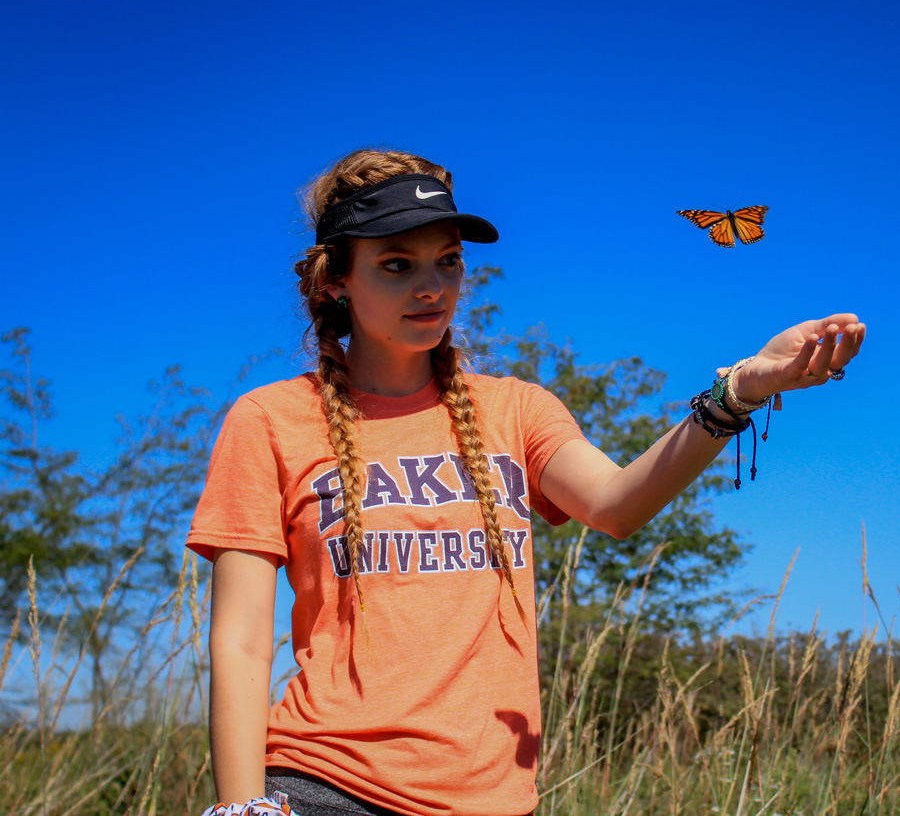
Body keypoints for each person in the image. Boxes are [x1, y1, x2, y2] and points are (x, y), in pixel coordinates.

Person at [186, 148, 865, 816]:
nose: (432, 287)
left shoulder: (516, 410)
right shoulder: (271, 419)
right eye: (397, 265)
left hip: (494, 797)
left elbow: (616, 504)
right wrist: (243, 809)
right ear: (337, 280)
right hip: (324, 785)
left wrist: (739, 391)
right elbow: (242, 638)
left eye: (448, 261)